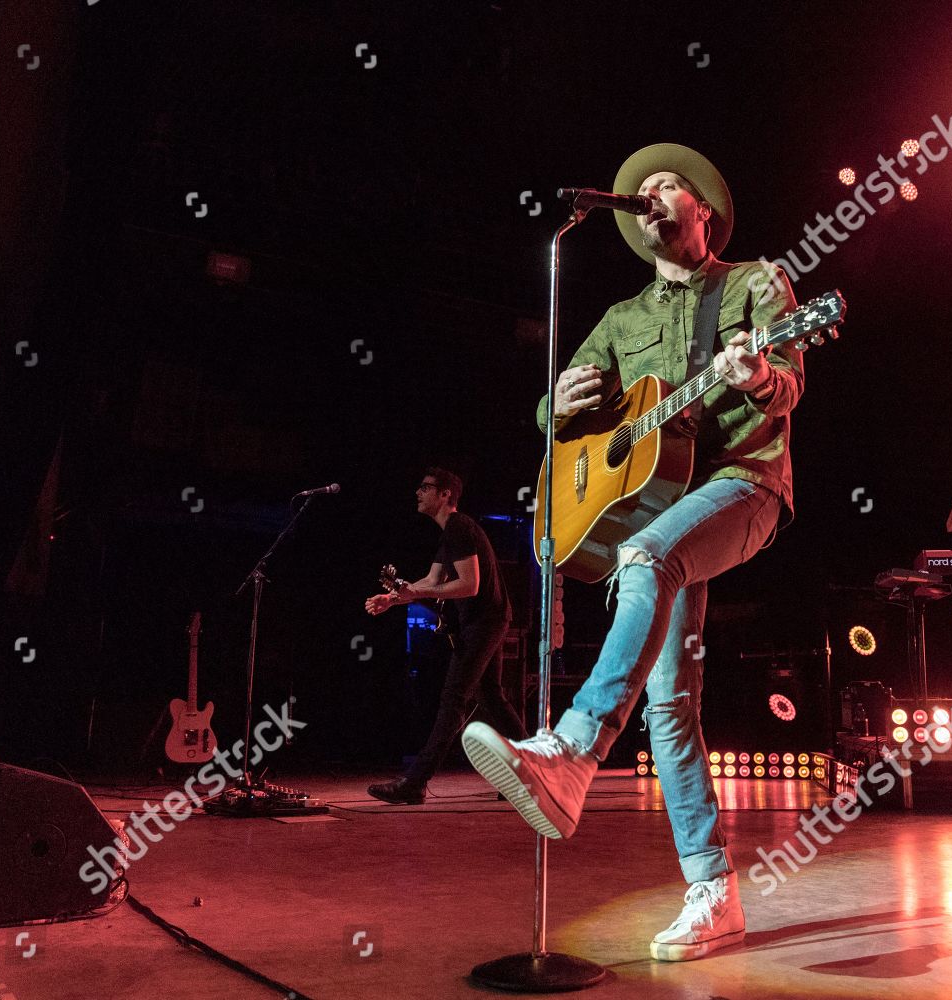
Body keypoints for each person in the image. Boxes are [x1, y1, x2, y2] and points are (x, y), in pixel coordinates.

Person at [460, 143, 805, 961]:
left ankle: (574, 750)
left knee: (643, 559)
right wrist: (555, 404)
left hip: (745, 485)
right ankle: (713, 895)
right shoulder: (621, 319)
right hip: (663, 506)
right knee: (668, 705)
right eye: (637, 191)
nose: (646, 196)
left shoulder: (756, 282)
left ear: (702, 211)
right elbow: (563, 415)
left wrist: (757, 373)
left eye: (664, 186)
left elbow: (788, 383)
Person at [364, 468, 526, 804]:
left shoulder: (460, 526)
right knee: (492, 697)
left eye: (425, 488)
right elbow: (429, 580)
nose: (418, 493)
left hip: (485, 621)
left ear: (445, 495)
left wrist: (415, 593)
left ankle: (414, 783)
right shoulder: (450, 533)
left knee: (454, 698)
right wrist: (394, 598)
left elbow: (470, 585)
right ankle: (534, 773)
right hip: (484, 620)